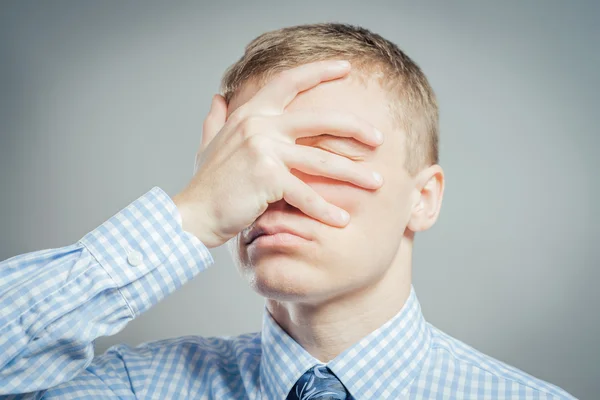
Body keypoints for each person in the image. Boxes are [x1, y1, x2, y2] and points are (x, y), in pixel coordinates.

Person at [0, 23, 574, 400]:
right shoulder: (133, 387)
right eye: (249, 158)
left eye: (326, 157)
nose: (273, 189)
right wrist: (193, 215)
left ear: (423, 199)